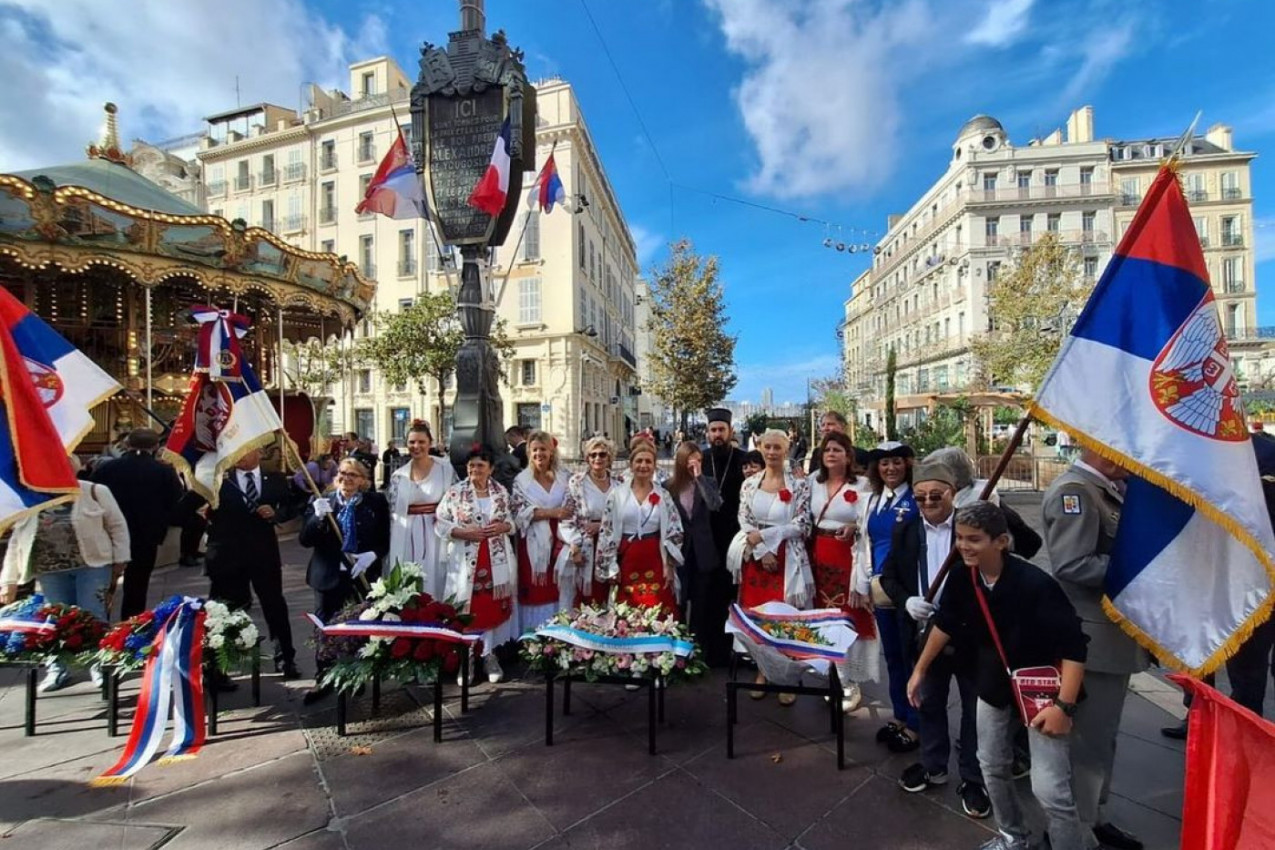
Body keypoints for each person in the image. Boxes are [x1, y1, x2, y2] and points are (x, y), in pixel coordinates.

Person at [908, 502, 1090, 850]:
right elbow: (944, 623)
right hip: (992, 682)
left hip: (1044, 690)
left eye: (974, 539)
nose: (964, 546)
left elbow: (1074, 648)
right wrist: (920, 670)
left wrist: (1064, 707)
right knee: (990, 764)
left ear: (1002, 541)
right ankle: (1013, 836)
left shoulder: (1037, 584)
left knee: (1050, 789)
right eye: (959, 538)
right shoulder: (963, 576)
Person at [1042, 450, 1146, 850]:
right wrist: (1138, 569)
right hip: (1092, 640)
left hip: (1110, 635)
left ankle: (1094, 818)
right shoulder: (1077, 492)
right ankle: (1073, 831)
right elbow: (1072, 563)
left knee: (1104, 737)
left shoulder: (1107, 488)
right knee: (1087, 743)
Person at [880, 462, 989, 819]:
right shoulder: (907, 531)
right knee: (928, 701)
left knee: (974, 707)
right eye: (921, 496)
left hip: (971, 632)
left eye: (936, 495)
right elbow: (890, 577)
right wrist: (906, 600)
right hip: (926, 634)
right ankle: (933, 764)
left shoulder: (973, 524)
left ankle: (973, 777)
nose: (928, 501)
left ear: (952, 493)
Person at [1, 458, 129, 691]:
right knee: (55, 620)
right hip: (49, 570)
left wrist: (121, 559)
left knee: (93, 615)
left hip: (92, 564)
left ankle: (98, 665)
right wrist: (8, 580)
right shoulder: (31, 498)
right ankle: (58, 669)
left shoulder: (95, 491)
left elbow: (117, 525)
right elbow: (18, 540)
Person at [728, 428, 813, 705]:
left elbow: (802, 524)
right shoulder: (750, 483)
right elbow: (745, 519)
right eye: (768, 447)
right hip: (757, 558)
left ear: (786, 450)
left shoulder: (799, 485)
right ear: (760, 448)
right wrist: (762, 549)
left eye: (778, 447)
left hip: (787, 557)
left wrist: (768, 538)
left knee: (785, 617)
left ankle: (787, 676)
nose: (772, 452)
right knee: (759, 616)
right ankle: (763, 672)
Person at [202, 448, 301, 682]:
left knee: (274, 605)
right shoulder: (220, 481)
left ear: (257, 452)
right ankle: (218, 667)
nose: (239, 456)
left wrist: (276, 514)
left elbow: (291, 507)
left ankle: (286, 657)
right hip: (229, 557)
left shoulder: (274, 480)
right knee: (224, 611)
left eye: (245, 451)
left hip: (263, 555)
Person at [299, 457, 391, 704]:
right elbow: (305, 540)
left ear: (363, 481)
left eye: (353, 475)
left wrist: (372, 555)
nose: (346, 479)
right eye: (342, 473)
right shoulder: (323, 501)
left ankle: (357, 674)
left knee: (361, 625)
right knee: (325, 626)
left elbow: (385, 538)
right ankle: (324, 676)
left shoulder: (376, 502)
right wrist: (317, 518)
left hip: (360, 574)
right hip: (328, 574)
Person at [853, 441, 921, 753]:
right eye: (883, 464)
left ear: (906, 464)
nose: (890, 468)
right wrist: (864, 584)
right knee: (893, 655)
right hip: (880, 587)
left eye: (895, 462)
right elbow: (864, 544)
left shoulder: (918, 498)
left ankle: (918, 724)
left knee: (913, 658)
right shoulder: (873, 500)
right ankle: (901, 716)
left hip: (909, 589)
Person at [435, 446, 517, 684]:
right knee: (466, 609)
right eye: (471, 465)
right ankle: (466, 657)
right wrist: (460, 531)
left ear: (490, 469)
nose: (474, 469)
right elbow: (440, 523)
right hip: (465, 559)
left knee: (490, 606)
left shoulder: (500, 492)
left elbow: (511, 522)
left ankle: (489, 654)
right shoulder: (455, 493)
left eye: (480, 465)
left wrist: (505, 527)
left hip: (494, 559)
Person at [806, 432, 875, 714]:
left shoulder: (863, 484)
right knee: (823, 615)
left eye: (837, 449)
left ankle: (850, 682)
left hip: (847, 556)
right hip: (818, 554)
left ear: (848, 455)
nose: (831, 454)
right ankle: (833, 672)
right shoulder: (812, 483)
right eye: (827, 450)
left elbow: (872, 517)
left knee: (847, 614)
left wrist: (856, 527)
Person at [90, 428, 183, 618]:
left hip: (110, 532)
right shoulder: (164, 471)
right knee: (138, 583)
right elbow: (175, 500)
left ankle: (98, 621)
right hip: (147, 533)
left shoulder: (107, 468)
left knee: (104, 581)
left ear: (126, 444)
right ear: (156, 446)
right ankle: (131, 623)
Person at [597, 439, 684, 615]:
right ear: (631, 465)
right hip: (626, 558)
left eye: (648, 461)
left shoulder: (663, 495)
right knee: (626, 610)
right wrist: (611, 566)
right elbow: (607, 531)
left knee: (658, 608)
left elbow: (674, 530)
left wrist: (669, 564)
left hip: (655, 558)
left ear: (654, 466)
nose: (643, 465)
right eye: (639, 461)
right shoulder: (617, 495)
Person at [386, 421, 456, 600]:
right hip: (406, 534)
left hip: (436, 532)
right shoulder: (399, 475)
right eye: (412, 442)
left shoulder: (445, 470)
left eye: (421, 442)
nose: (416, 446)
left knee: (435, 572)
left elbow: (456, 501)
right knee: (409, 574)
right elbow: (392, 510)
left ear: (430, 443)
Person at [512, 431, 572, 634]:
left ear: (552, 451)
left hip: (561, 537)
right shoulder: (521, 480)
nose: (539, 453)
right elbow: (518, 513)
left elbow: (573, 506)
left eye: (543, 449)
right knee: (536, 587)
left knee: (560, 585)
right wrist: (552, 512)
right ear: (529, 452)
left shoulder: (565, 478)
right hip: (533, 541)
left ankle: (559, 633)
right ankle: (534, 635)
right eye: (535, 449)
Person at [701, 407, 747, 667]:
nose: (717, 435)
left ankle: (736, 650)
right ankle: (711, 651)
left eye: (722, 430)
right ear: (707, 433)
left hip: (735, 536)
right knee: (708, 597)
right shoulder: (701, 459)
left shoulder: (743, 459)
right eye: (713, 430)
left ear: (731, 432)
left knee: (734, 594)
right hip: (708, 538)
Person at [665, 440, 723, 634]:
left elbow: (715, 505)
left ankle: (699, 649)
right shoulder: (668, 487)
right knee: (678, 602)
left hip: (702, 552)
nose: (694, 465)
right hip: (680, 551)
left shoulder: (709, 482)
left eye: (698, 460)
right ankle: (678, 645)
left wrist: (700, 479)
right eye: (691, 460)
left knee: (701, 604)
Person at [560, 436, 620, 608]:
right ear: (587, 458)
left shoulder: (620, 483)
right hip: (586, 546)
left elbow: (625, 516)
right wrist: (574, 546)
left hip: (612, 545)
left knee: (610, 596)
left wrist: (601, 526)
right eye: (592, 455)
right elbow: (566, 516)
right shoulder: (577, 483)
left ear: (610, 457)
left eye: (602, 454)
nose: (597, 459)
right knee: (587, 600)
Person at [807, 411, 849, 475]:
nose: (825, 428)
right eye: (823, 425)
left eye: (830, 424)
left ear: (842, 426)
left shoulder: (861, 455)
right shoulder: (817, 453)